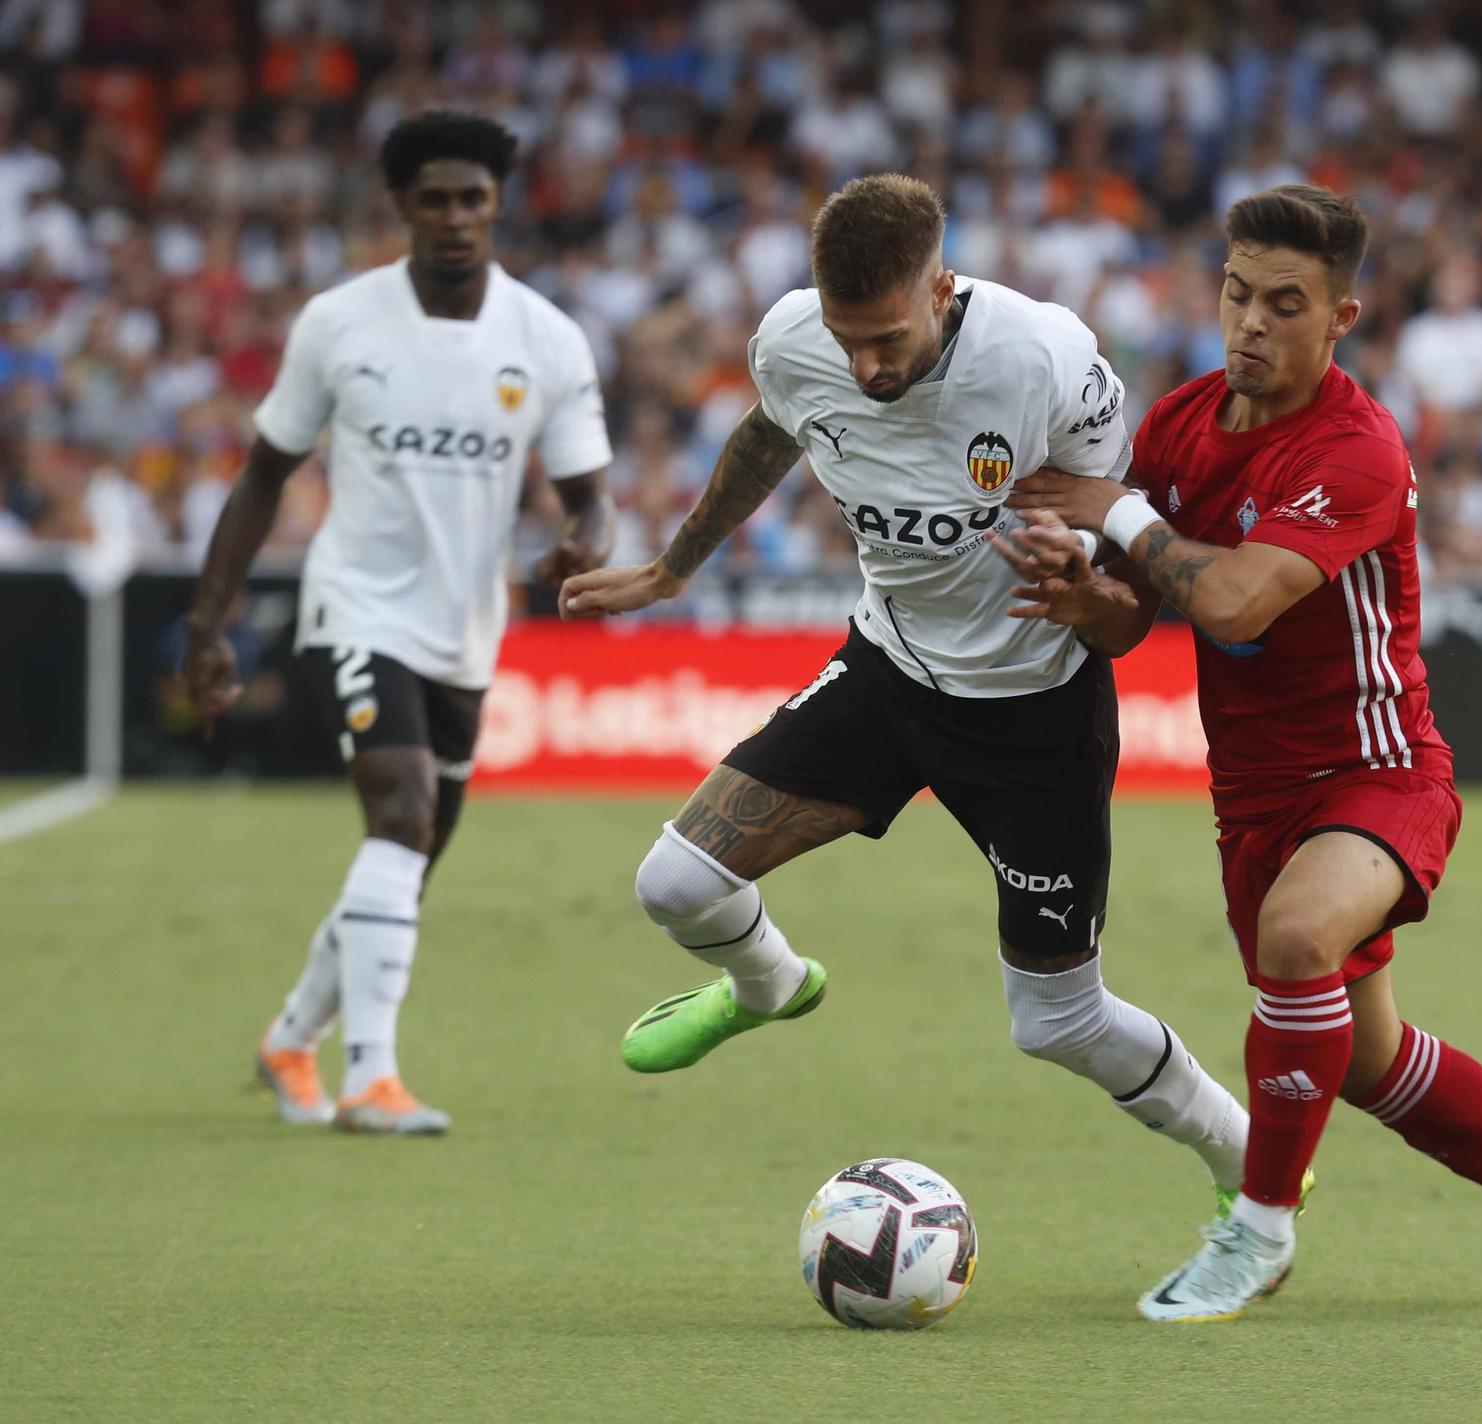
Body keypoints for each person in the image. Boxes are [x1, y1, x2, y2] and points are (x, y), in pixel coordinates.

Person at [1003, 185, 1482, 1321]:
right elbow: (1135, 614)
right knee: (1361, 1057)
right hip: (1251, 798)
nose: (1250, 321)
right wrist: (1079, 599)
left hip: (1379, 771)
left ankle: (1252, 1233)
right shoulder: (1179, 425)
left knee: (1297, 939)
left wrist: (1114, 511)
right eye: (1236, 293)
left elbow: (1242, 601)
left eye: (1284, 303)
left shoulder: (1354, 448)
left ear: (1339, 316)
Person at [557, 173, 1255, 1215]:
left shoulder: (1045, 362)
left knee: (1056, 1021)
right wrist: (672, 568)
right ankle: (769, 984)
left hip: (1035, 712)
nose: (864, 365)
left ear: (942, 287)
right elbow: (771, 429)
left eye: (885, 338)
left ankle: (1248, 1163)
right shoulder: (795, 342)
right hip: (887, 675)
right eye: (847, 339)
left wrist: (1085, 607)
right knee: (673, 884)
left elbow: (1130, 611)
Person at [185, 112, 613, 1135]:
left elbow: (589, 494)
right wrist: (209, 625)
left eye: (473, 197)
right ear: (402, 207)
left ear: (498, 203)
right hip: (358, 604)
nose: (457, 217)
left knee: (409, 851)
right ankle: (370, 1075)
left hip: (467, 625)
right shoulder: (338, 323)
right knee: (400, 812)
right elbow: (262, 475)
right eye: (436, 198)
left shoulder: (545, 339)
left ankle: (291, 1036)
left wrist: (581, 542)